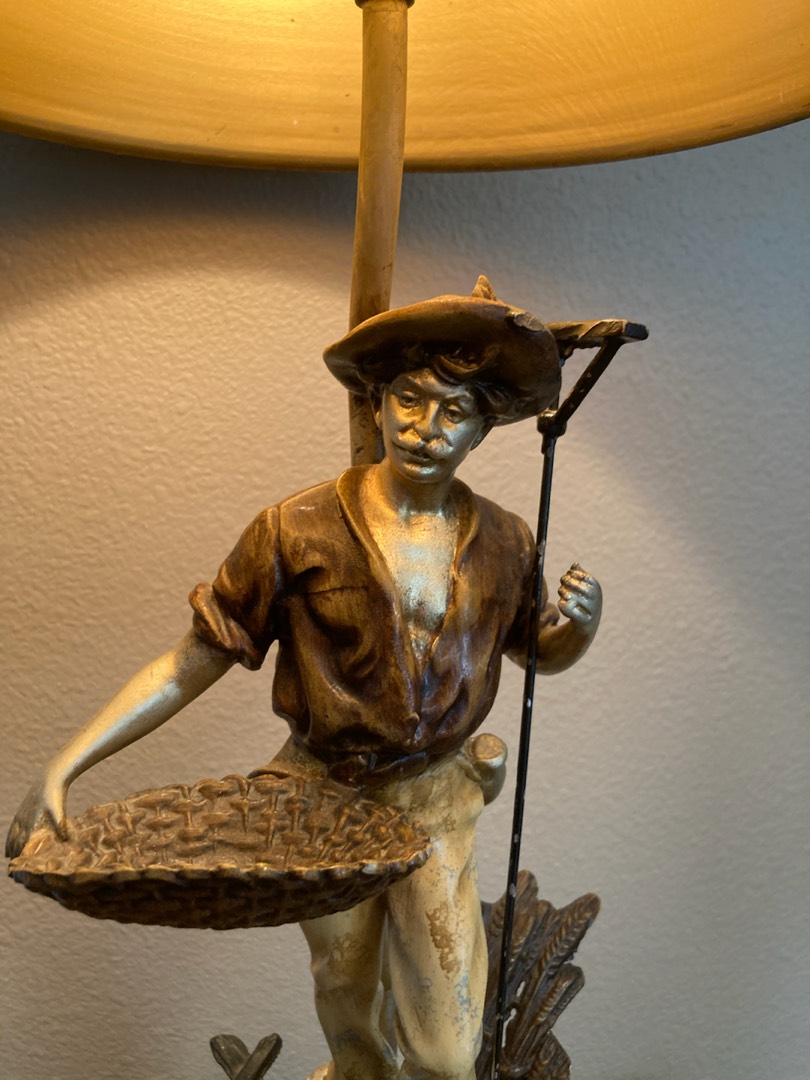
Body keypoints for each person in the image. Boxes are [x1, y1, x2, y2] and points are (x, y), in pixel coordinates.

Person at [7, 278, 602, 1080]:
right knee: (347, 998)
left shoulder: (505, 540)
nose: (425, 429)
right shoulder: (296, 528)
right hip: (322, 803)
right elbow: (191, 661)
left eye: (454, 412)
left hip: (435, 798)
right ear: (377, 400)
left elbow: (538, 651)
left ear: (485, 425)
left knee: (448, 1053)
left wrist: (579, 628)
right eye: (409, 400)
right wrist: (68, 762)